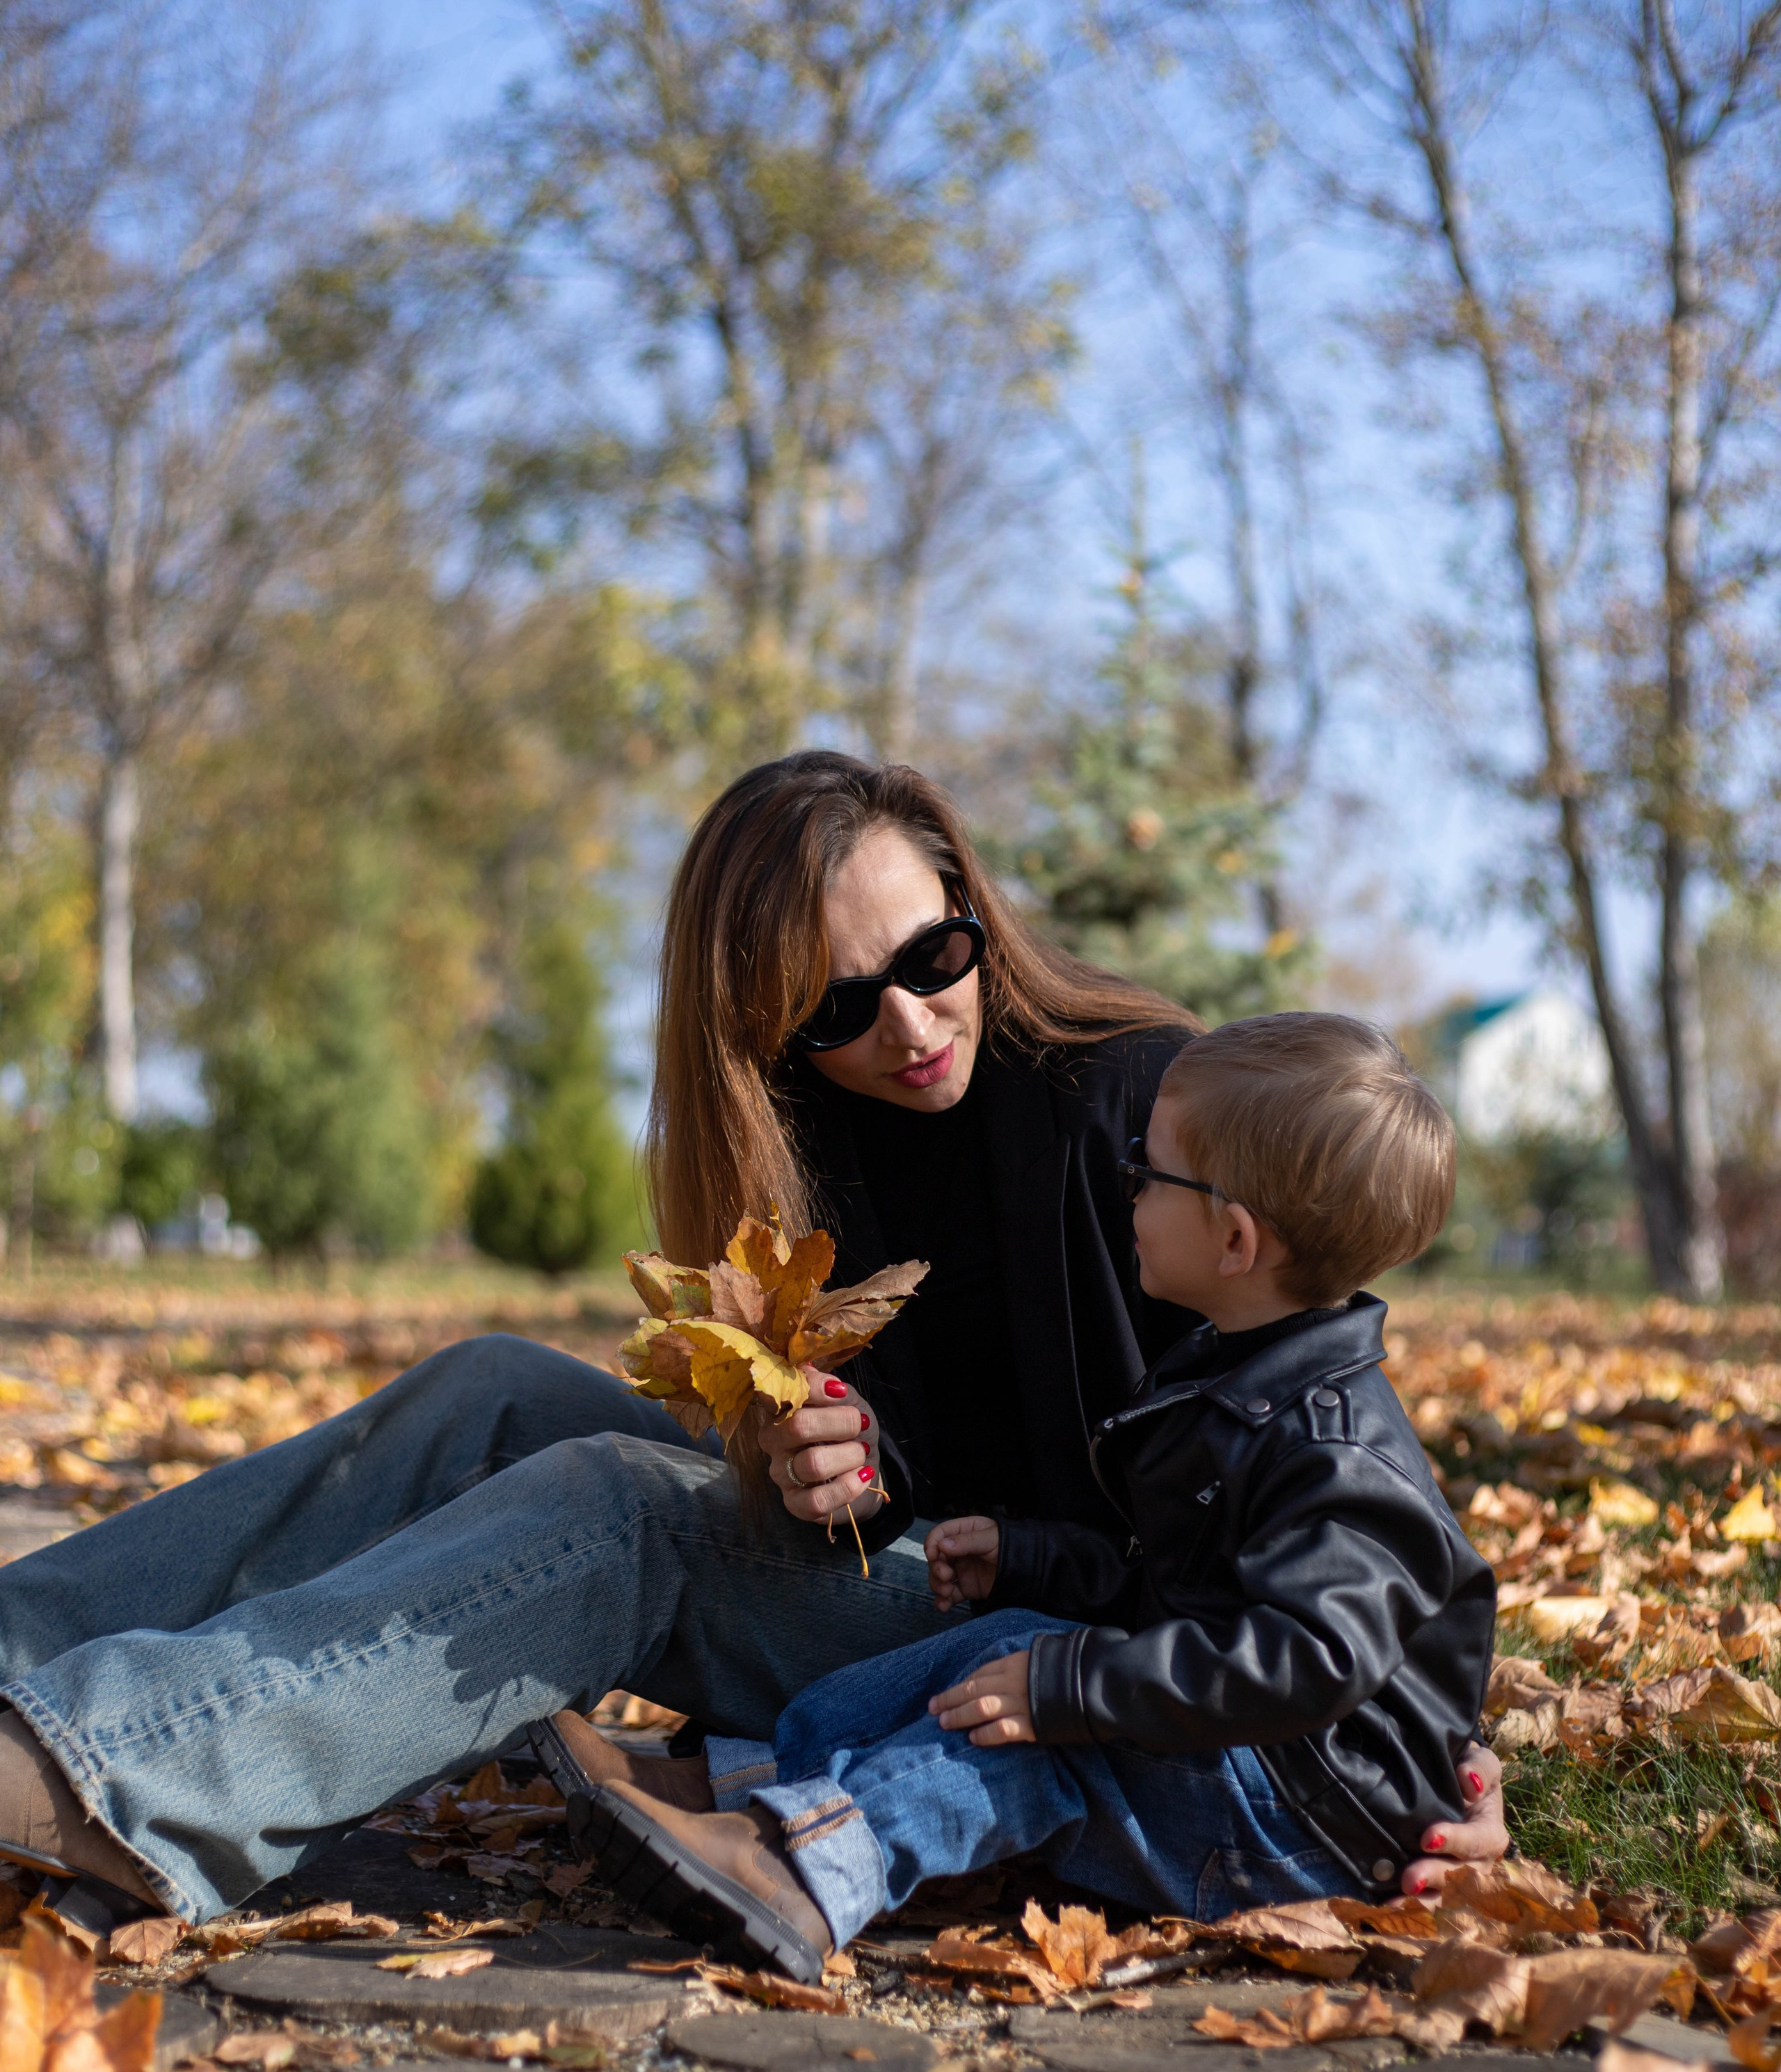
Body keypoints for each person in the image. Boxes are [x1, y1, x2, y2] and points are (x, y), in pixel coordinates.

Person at [0, 755, 1502, 1931]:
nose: (908, 1024)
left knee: (617, 1509)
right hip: (940, 1573)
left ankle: (116, 1781)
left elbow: (1332, 1470)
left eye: (936, 953)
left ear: (975, 907)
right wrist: (829, 1470)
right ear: (764, 1026)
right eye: (837, 1007)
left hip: (1065, 1654)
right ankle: (21, 1652)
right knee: (493, 1390)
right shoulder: (800, 1144)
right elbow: (883, 1476)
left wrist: (1429, 1752)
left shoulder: (1137, 1114)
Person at [534, 1014, 1496, 1982]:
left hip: (1299, 1823)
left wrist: (1069, 1689)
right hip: (1252, 1768)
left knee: (1037, 1730)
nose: (1127, 1185)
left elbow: (1302, 1660)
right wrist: (1030, 1557)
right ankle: (737, 1793)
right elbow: (1178, 1589)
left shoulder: (1334, 1453)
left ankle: (799, 1873)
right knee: (1009, 1648)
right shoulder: (1234, 1373)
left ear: (1236, 1240)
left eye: (1148, 1170)